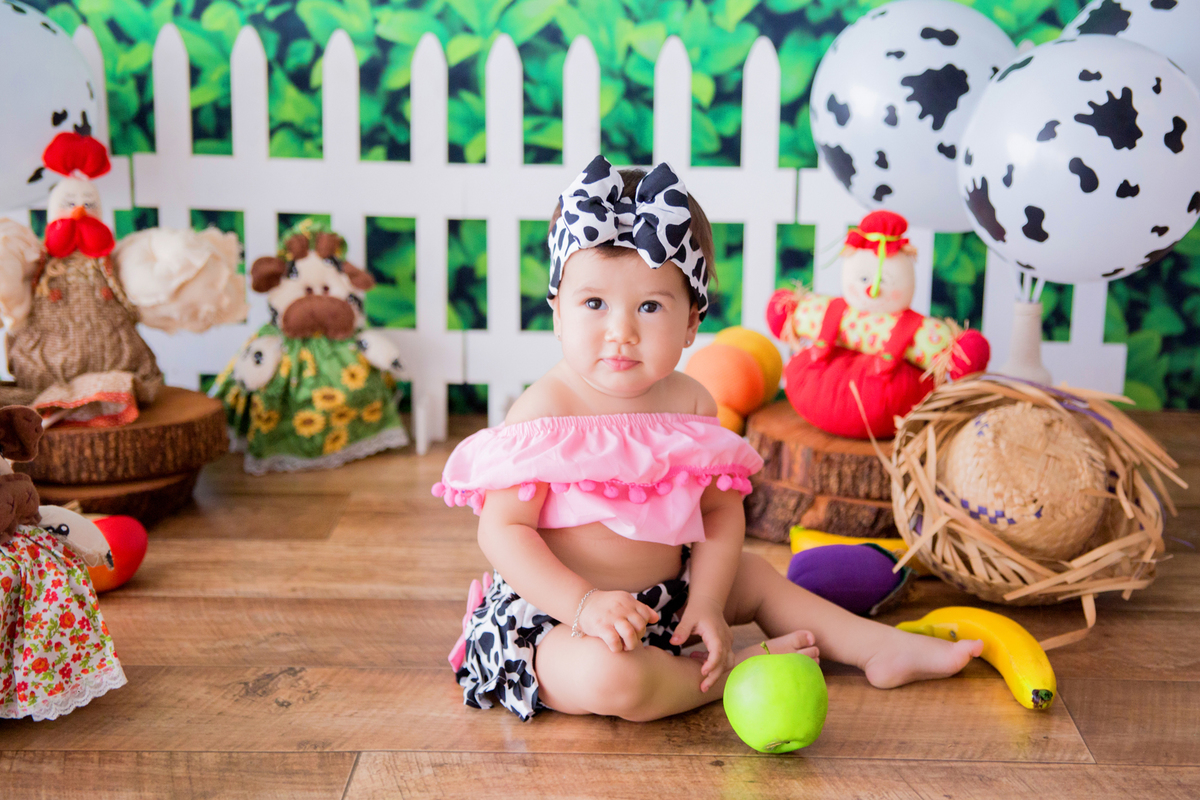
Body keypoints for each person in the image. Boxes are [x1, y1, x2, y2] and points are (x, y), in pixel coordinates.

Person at [433, 156, 982, 722]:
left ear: (693, 322)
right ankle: (732, 673)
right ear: (556, 311)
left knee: (755, 575)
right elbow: (504, 530)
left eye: (649, 306)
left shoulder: (691, 405)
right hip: (555, 619)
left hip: (667, 601)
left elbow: (720, 516)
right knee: (608, 678)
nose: (620, 331)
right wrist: (584, 604)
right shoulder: (546, 412)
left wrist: (709, 601)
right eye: (594, 303)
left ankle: (875, 647)